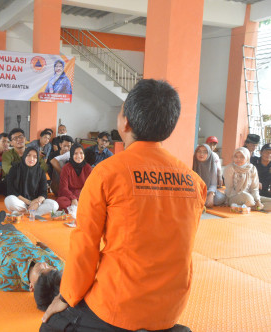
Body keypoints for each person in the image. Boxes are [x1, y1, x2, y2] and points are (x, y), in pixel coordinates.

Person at [41, 79, 206, 332]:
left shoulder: (108, 172)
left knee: (51, 324)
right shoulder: (194, 181)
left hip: (119, 307)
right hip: (171, 310)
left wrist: (65, 298)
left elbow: (85, 245)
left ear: (125, 122)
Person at [5, 147, 59, 215]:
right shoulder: (14, 169)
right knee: (9, 200)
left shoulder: (40, 172)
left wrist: (37, 202)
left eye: (35, 157)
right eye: (28, 155)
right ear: (24, 156)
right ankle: (32, 212)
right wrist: (29, 203)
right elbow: (11, 190)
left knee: (54, 205)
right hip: (20, 201)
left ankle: (23, 212)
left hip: (36, 203)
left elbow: (44, 192)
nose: (31, 159)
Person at [56, 144, 92, 212]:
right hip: (68, 196)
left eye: (81, 153)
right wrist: (73, 198)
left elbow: (91, 187)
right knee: (60, 203)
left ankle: (77, 209)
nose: (79, 156)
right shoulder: (66, 168)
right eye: (75, 153)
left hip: (83, 195)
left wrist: (81, 197)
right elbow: (63, 188)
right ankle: (80, 209)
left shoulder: (88, 168)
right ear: (72, 154)